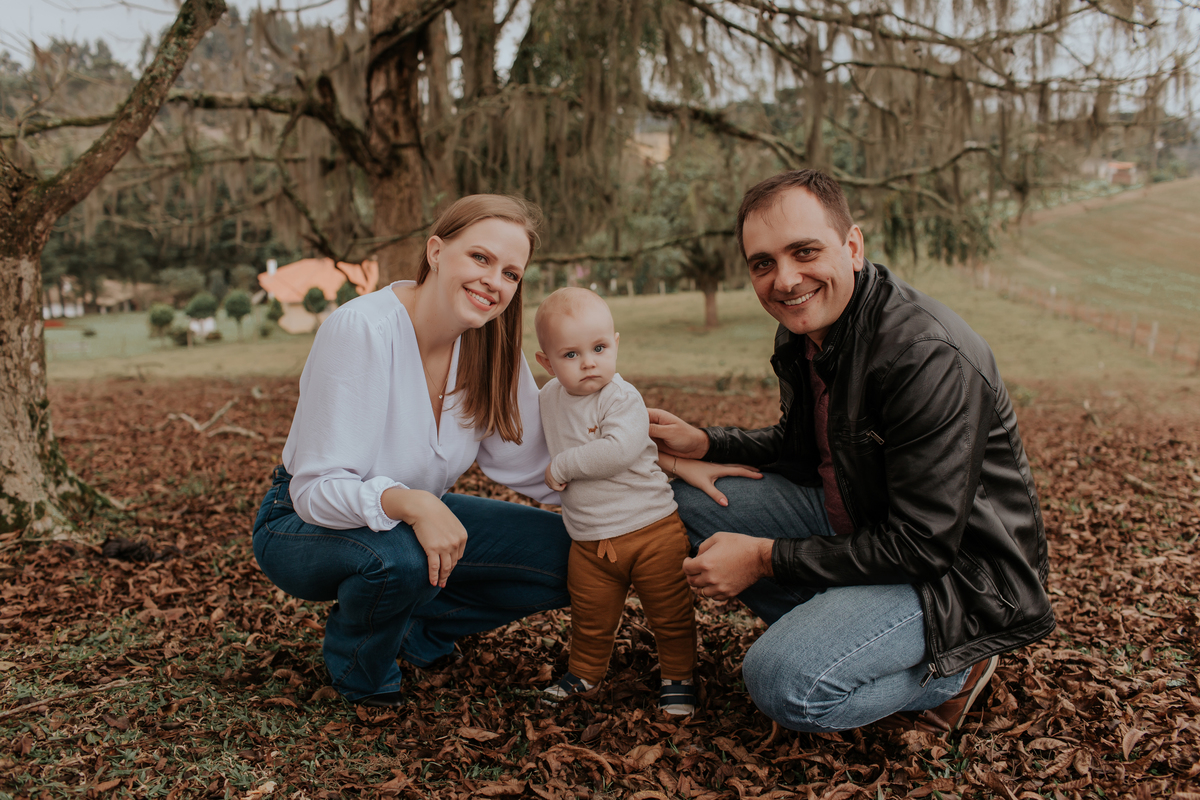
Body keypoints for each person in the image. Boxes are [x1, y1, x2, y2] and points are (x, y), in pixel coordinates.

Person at [648, 169, 1056, 735]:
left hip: (956, 575)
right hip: (863, 525)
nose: (785, 280)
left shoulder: (923, 354)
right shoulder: (806, 331)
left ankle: (954, 673)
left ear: (853, 246)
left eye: (805, 251)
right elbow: (804, 447)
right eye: (763, 263)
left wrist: (764, 558)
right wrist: (707, 442)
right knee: (690, 502)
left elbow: (923, 543)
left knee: (781, 682)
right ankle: (840, 633)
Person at [251, 195, 571, 708]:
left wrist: (642, 497)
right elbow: (316, 490)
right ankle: (361, 674)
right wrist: (414, 504)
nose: (494, 281)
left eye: (511, 273)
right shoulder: (362, 329)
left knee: (574, 555)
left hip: (416, 517)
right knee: (402, 558)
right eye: (481, 258)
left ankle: (413, 630)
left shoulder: (492, 348)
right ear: (436, 252)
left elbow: (535, 464)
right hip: (302, 523)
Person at [533, 288, 723, 715]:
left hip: (650, 529)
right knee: (590, 614)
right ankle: (584, 673)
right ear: (546, 363)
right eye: (571, 355)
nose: (589, 363)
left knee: (670, 612)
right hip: (589, 539)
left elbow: (618, 450)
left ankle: (678, 678)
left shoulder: (620, 397)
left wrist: (563, 466)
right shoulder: (548, 399)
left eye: (599, 348)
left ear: (616, 344)